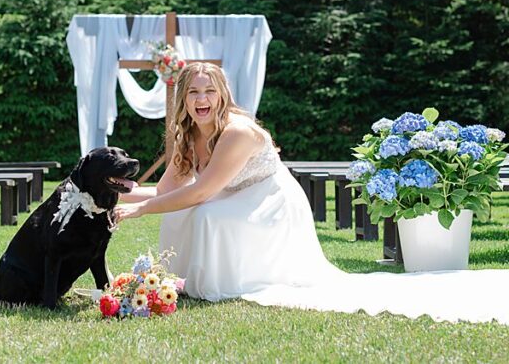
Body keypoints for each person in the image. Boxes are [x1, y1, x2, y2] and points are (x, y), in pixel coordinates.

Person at [112, 62, 509, 324]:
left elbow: (200, 193)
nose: (202, 100)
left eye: (209, 91)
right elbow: (164, 191)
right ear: (183, 100)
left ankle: (217, 284)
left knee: (204, 213)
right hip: (227, 195)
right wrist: (109, 193)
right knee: (178, 208)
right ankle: (187, 279)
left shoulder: (237, 132)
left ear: (222, 95)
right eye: (193, 93)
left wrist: (142, 211)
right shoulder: (186, 136)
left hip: (269, 202)